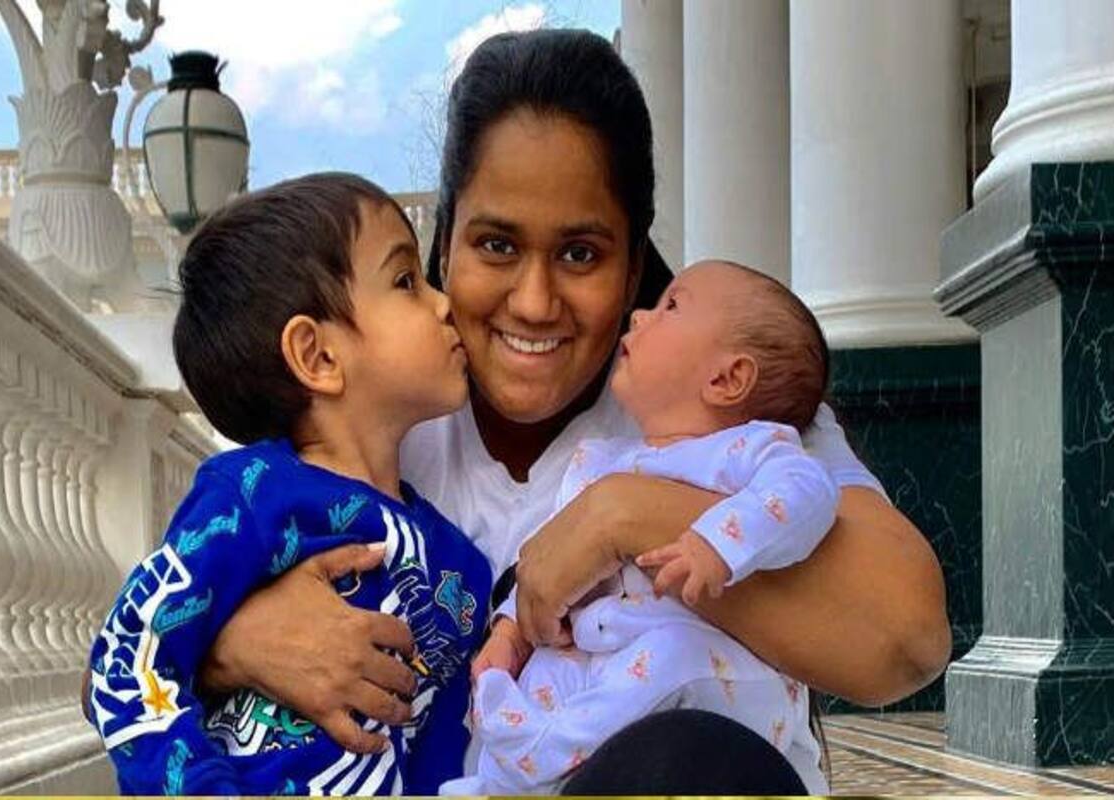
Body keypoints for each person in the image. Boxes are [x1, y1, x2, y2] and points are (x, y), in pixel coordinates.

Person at [88, 28, 950, 794]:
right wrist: (234, 643)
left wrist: (619, 516)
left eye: (581, 253)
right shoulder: (369, 423)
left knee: (686, 760)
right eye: (496, 244)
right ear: (448, 240)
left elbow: (906, 641)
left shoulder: (718, 406)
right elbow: (143, 639)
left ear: (633, 262)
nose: (534, 302)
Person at [86, 174, 491, 795]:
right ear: (318, 356)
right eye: (406, 281)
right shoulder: (252, 498)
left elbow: (442, 762)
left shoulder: (461, 569)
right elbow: (128, 658)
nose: (443, 305)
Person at [443, 260, 840, 794]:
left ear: (727, 379)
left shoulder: (746, 449)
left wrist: (717, 544)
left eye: (670, 306)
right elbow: (547, 561)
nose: (639, 317)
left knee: (672, 653)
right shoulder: (602, 461)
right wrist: (512, 629)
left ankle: (534, 760)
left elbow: (807, 492)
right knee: (547, 672)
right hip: (610, 663)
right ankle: (497, 780)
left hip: (717, 677)